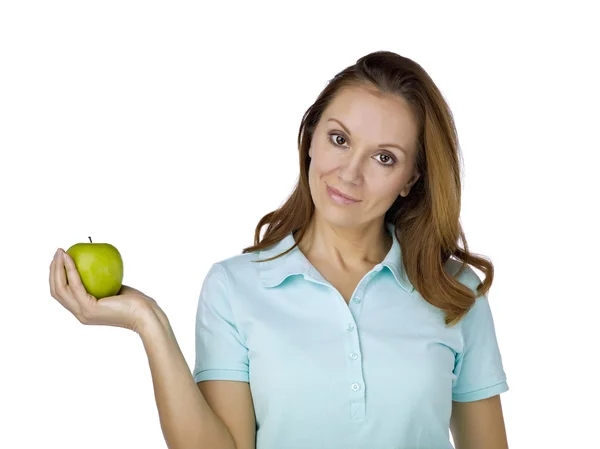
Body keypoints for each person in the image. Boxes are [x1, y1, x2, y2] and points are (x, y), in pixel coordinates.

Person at [49, 50, 509, 449]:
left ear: (412, 178)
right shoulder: (235, 287)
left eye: (384, 157)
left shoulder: (453, 290)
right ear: (310, 137)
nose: (349, 174)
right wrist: (148, 322)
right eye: (340, 139)